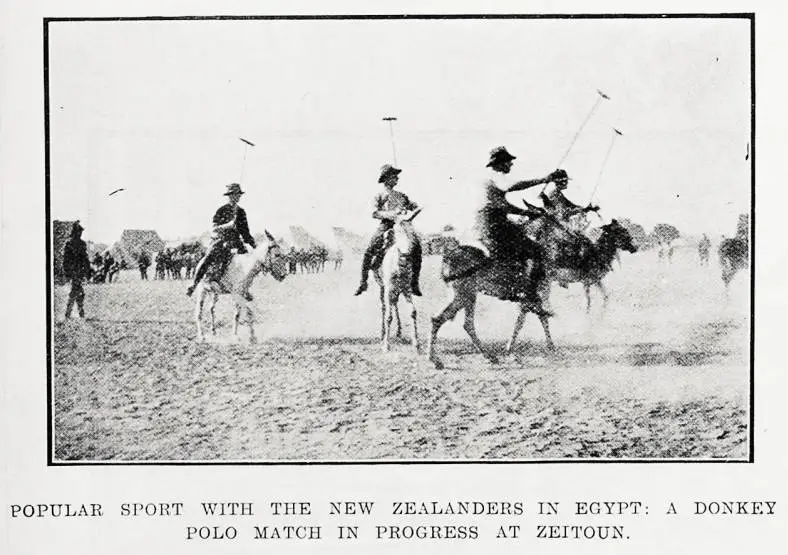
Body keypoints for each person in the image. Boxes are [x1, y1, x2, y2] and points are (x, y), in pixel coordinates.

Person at [470, 146, 561, 303]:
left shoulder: (488, 179)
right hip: (495, 225)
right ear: (500, 163)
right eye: (509, 162)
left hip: (484, 224)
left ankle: (513, 283)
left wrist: (527, 213)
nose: (511, 165)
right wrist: (544, 180)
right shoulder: (497, 176)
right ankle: (530, 294)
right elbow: (514, 187)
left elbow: (503, 205)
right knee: (536, 250)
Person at [354, 164, 422, 296]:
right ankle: (363, 282)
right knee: (370, 249)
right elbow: (374, 213)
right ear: (386, 178)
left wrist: (414, 209)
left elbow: (414, 206)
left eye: (396, 176)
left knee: (417, 247)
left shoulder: (402, 196)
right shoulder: (379, 195)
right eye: (394, 176)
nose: (397, 178)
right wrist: (391, 213)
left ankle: (414, 283)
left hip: (403, 226)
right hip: (386, 225)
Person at [186, 183, 257, 296]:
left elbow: (246, 234)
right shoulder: (221, 210)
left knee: (247, 262)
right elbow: (214, 228)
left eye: (238, 194)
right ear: (229, 196)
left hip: (236, 242)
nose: (237, 197)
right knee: (209, 256)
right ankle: (194, 284)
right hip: (222, 240)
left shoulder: (241, 212)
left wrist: (255, 246)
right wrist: (227, 225)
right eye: (234, 194)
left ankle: (244, 288)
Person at [62, 221, 92, 319]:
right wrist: (68, 272)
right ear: (75, 232)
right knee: (77, 292)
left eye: (81, 232)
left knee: (77, 292)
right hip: (74, 271)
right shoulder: (70, 244)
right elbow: (66, 260)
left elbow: (85, 258)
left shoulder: (81, 243)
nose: (80, 234)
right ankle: (76, 313)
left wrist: (87, 270)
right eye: (79, 232)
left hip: (79, 271)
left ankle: (71, 313)